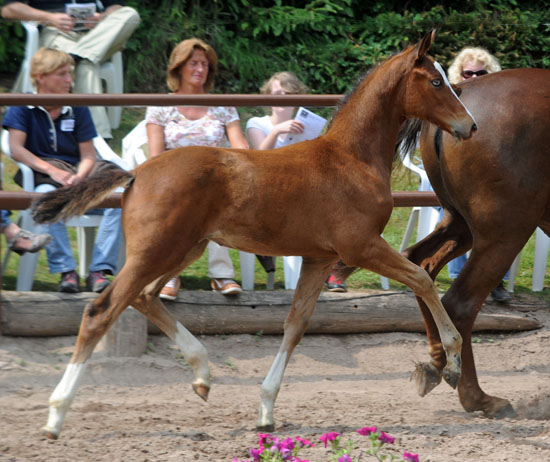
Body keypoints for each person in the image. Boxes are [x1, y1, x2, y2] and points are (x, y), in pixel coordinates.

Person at [2, 47, 124, 293]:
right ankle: (66, 272)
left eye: (70, 74)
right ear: (41, 77)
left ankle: (98, 271)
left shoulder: (77, 106)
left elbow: (88, 154)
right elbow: (16, 148)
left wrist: (80, 176)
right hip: (47, 179)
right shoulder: (22, 106)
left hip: (79, 181)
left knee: (119, 200)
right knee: (46, 194)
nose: (69, 80)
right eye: (62, 74)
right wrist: (52, 170)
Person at [145, 37, 249, 300]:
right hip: (174, 177)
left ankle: (222, 275)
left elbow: (240, 146)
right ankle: (168, 275)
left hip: (217, 177)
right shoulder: (160, 106)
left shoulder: (222, 105)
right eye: (193, 63)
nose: (200, 69)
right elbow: (155, 155)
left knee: (216, 198)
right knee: (185, 200)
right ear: (179, 67)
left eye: (204, 64)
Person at [1, 0, 140, 139]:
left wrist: (102, 17)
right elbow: (8, 9)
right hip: (58, 33)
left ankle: (74, 57)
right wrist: (50, 17)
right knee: (86, 67)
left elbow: (115, 6)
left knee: (130, 14)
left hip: (100, 36)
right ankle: (98, 139)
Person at [446, 46, 510, 303]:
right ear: (458, 75)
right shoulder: (446, 101)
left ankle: (495, 279)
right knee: (455, 212)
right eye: (468, 73)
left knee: (504, 213)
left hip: (487, 175)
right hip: (453, 173)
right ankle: (459, 276)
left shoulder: (501, 105)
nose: (473, 78)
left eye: (480, 73)